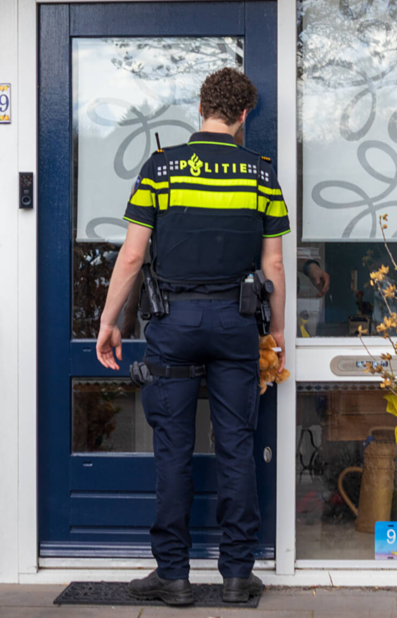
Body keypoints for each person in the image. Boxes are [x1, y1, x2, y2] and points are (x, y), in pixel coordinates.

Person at [95, 68, 328, 606]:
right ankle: (237, 576)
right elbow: (274, 264)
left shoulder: (162, 168)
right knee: (236, 448)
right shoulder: (261, 176)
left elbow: (132, 255)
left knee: (172, 450)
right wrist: (275, 332)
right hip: (234, 325)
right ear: (244, 115)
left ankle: (174, 577)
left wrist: (110, 323)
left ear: (200, 107)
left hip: (173, 325)